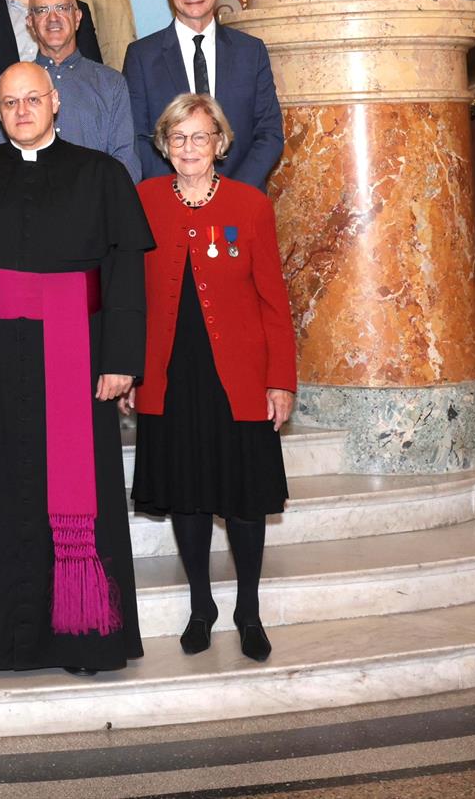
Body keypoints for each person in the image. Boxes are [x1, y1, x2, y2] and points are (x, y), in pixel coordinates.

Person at [0, 60, 155, 675]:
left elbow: (125, 279)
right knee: (5, 492)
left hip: (80, 351)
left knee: (82, 491)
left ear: (56, 102)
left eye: (34, 99)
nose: (23, 111)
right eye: (10, 103)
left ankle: (87, 637)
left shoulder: (102, 174)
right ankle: (5, 641)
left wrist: (121, 360)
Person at [130, 93, 297, 664]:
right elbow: (128, 298)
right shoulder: (145, 200)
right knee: (189, 497)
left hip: (240, 377)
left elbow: (275, 302)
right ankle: (201, 606)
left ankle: (248, 611)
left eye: (200, 137)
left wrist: (281, 380)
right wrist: (130, 368)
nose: (189, 148)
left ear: (220, 144)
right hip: (172, 375)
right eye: (178, 139)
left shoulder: (251, 206)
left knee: (245, 501)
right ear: (164, 146)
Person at [123, 0, 285, 189]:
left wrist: (232, 192)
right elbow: (136, 136)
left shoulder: (250, 52)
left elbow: (269, 133)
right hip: (170, 202)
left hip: (239, 200)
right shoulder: (142, 56)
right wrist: (179, 191)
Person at [0, 0, 138, 180]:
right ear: (30, 21)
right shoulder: (6, 86)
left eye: (62, 8)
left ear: (78, 16)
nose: (52, 18)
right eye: (42, 10)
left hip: (91, 205)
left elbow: (127, 164)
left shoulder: (111, 84)